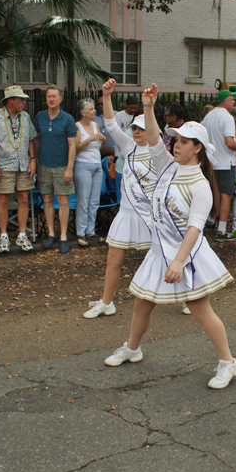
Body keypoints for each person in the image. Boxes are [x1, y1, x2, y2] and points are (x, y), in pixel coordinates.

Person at [104, 83, 236, 390]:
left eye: (184, 142)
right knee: (142, 304)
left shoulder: (201, 185)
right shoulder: (167, 165)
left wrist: (178, 261)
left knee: (201, 310)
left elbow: (194, 228)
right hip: (159, 252)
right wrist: (148, 107)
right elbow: (154, 139)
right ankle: (132, 348)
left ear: (198, 148)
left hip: (187, 256)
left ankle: (228, 362)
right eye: (175, 140)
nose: (176, 145)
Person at [83, 78, 159, 318]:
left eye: (142, 128)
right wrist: (106, 96)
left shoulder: (159, 152)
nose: (136, 132)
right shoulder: (128, 146)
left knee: (168, 258)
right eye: (134, 128)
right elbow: (110, 123)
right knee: (113, 260)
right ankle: (107, 302)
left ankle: (190, 297)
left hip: (150, 216)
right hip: (126, 214)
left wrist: (149, 106)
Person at [0, 86, 38, 253]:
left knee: (24, 198)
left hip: (23, 164)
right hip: (3, 164)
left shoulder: (25, 116)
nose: (23, 102)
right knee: (3, 200)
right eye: (20, 99)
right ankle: (3, 235)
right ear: (10, 101)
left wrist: (32, 159)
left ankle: (22, 234)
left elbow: (31, 139)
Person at [33, 86, 77, 254]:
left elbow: (72, 145)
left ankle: (63, 236)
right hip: (44, 165)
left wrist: (69, 168)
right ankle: (51, 234)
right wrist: (34, 159)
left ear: (60, 99)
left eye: (54, 96)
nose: (51, 99)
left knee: (63, 201)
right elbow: (36, 139)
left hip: (62, 166)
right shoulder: (40, 117)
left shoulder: (67, 119)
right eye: (49, 96)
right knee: (47, 199)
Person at [202, 90, 236, 241]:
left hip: (210, 161)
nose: (234, 102)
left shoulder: (208, 116)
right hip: (225, 161)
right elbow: (229, 142)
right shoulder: (227, 117)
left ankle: (210, 220)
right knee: (226, 195)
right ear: (225, 101)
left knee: (212, 192)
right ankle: (222, 230)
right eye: (232, 99)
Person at [73, 98, 106, 247]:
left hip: (97, 165)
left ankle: (90, 231)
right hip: (83, 165)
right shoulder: (77, 126)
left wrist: (103, 140)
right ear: (82, 112)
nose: (94, 111)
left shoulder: (95, 125)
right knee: (83, 200)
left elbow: (100, 147)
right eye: (91, 109)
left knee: (94, 200)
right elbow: (76, 148)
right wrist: (90, 139)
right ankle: (80, 231)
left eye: (94, 109)